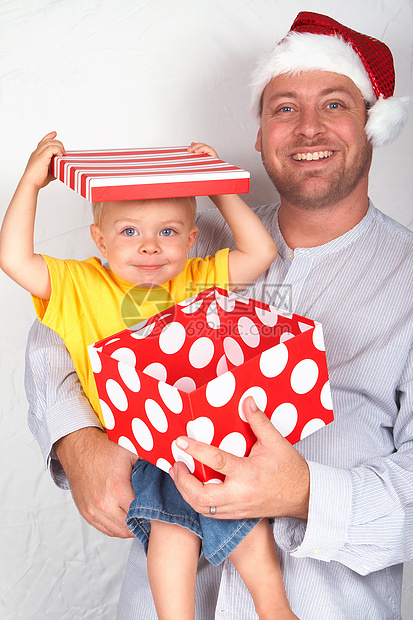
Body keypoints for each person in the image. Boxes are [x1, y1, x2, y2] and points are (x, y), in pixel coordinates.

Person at [23, 10, 412, 620]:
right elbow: (62, 325)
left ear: (373, 124)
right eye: (284, 107)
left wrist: (303, 493)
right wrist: (76, 438)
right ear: (259, 133)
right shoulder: (187, 241)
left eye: (335, 104)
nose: (308, 127)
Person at [0, 136, 299, 619]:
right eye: (129, 232)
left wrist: (219, 186)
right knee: (172, 531)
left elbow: (260, 251)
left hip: (208, 433)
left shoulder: (194, 279)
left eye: (167, 232)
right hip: (142, 443)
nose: (149, 248)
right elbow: (13, 259)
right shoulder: (80, 286)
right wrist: (33, 183)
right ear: (99, 240)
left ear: (191, 237)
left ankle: (275, 609)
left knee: (248, 518)